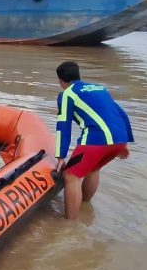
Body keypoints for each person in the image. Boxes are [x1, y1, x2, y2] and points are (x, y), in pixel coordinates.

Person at [53, 61, 134, 220]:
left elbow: (64, 125)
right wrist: (124, 143)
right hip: (118, 139)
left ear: (60, 81)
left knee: (71, 176)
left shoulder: (67, 95)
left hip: (96, 140)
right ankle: (85, 207)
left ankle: (69, 224)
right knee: (93, 168)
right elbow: (121, 114)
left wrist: (60, 156)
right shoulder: (100, 89)